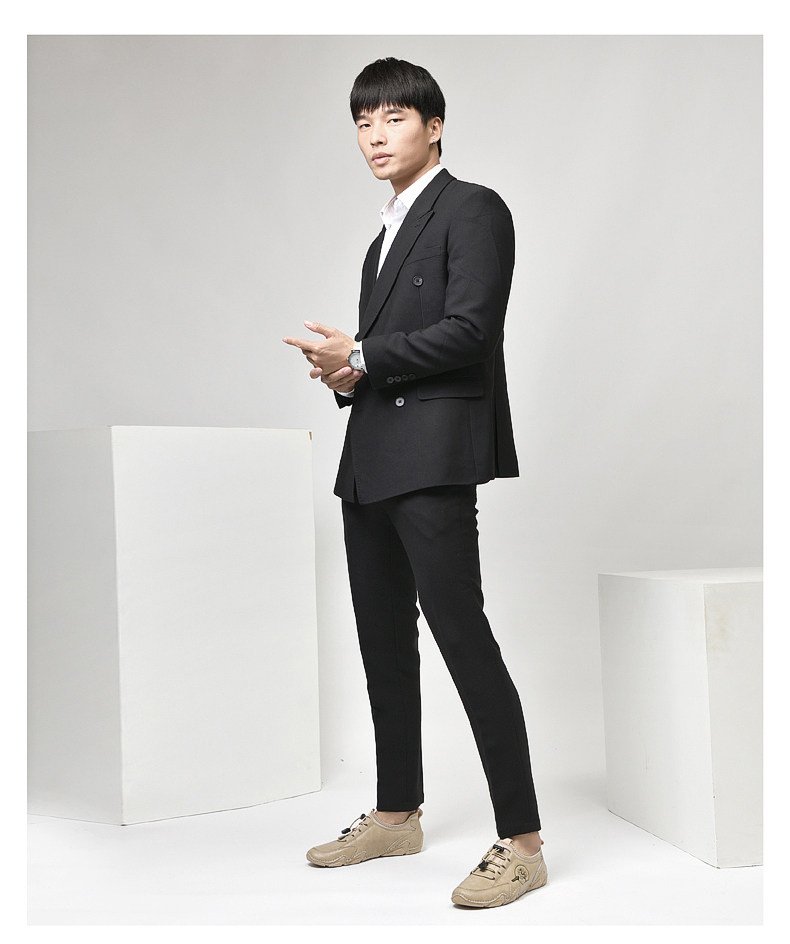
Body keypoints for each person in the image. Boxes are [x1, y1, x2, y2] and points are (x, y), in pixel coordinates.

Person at [283, 57, 546, 908]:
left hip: (433, 458)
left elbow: (472, 332)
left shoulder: (473, 208)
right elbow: (394, 357)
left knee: (462, 636)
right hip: (371, 459)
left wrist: (362, 353)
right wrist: (346, 373)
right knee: (381, 642)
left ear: (434, 126)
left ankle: (524, 843)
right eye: (363, 123)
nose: (374, 136)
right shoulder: (382, 239)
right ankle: (396, 814)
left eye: (392, 118)